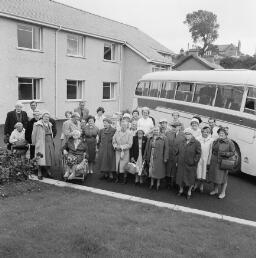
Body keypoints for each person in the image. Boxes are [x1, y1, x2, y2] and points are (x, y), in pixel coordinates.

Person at [208, 127, 235, 199]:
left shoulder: (230, 142)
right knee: (215, 176)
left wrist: (225, 154)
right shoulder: (217, 140)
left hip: (223, 162)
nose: (221, 134)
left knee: (223, 178)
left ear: (226, 134)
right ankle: (215, 190)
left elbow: (233, 152)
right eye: (220, 133)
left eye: (222, 133)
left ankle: (223, 193)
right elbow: (213, 149)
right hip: (215, 161)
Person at [176, 128, 201, 199]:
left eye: (189, 134)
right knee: (180, 177)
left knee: (190, 178)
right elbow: (178, 152)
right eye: (186, 134)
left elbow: (198, 154)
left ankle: (189, 191)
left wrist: (194, 161)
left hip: (191, 164)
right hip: (181, 163)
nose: (187, 135)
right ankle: (181, 190)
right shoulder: (182, 142)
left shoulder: (196, 143)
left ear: (192, 135)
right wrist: (177, 161)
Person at [32, 111, 56, 180]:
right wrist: (34, 143)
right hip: (41, 143)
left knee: (49, 157)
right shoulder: (37, 124)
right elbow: (34, 134)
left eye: (48, 117)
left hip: (49, 142)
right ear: (42, 117)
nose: (47, 118)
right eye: (45, 117)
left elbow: (51, 133)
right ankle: (39, 172)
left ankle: (48, 171)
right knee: (40, 157)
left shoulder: (50, 124)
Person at [144, 126, 169, 191]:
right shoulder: (150, 138)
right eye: (154, 130)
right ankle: (152, 183)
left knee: (158, 171)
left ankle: (158, 184)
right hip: (151, 156)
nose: (156, 131)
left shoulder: (164, 138)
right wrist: (145, 156)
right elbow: (146, 148)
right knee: (151, 169)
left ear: (159, 130)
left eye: (157, 130)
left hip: (160, 157)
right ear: (153, 131)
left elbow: (166, 149)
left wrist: (165, 157)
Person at [166, 121, 185, 189]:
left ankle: (174, 183)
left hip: (177, 156)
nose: (173, 128)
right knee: (168, 169)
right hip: (169, 154)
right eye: (172, 126)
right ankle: (168, 183)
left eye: (175, 126)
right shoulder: (167, 133)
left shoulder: (183, 135)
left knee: (175, 170)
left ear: (179, 127)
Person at [112, 119, 133, 184]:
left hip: (125, 152)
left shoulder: (129, 133)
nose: (123, 126)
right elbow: (113, 141)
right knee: (117, 164)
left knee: (124, 165)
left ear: (127, 126)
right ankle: (117, 178)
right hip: (117, 151)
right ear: (120, 125)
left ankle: (124, 178)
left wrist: (122, 147)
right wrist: (115, 146)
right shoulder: (117, 132)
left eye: (125, 125)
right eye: (122, 125)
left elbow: (130, 144)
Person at [194, 126, 213, 192]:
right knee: (197, 171)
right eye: (204, 132)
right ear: (202, 132)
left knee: (204, 173)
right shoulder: (197, 139)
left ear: (209, 133)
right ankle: (196, 184)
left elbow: (210, 151)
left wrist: (209, 160)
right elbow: (195, 149)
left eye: (207, 132)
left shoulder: (211, 140)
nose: (205, 133)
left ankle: (201, 185)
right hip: (199, 158)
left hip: (206, 159)